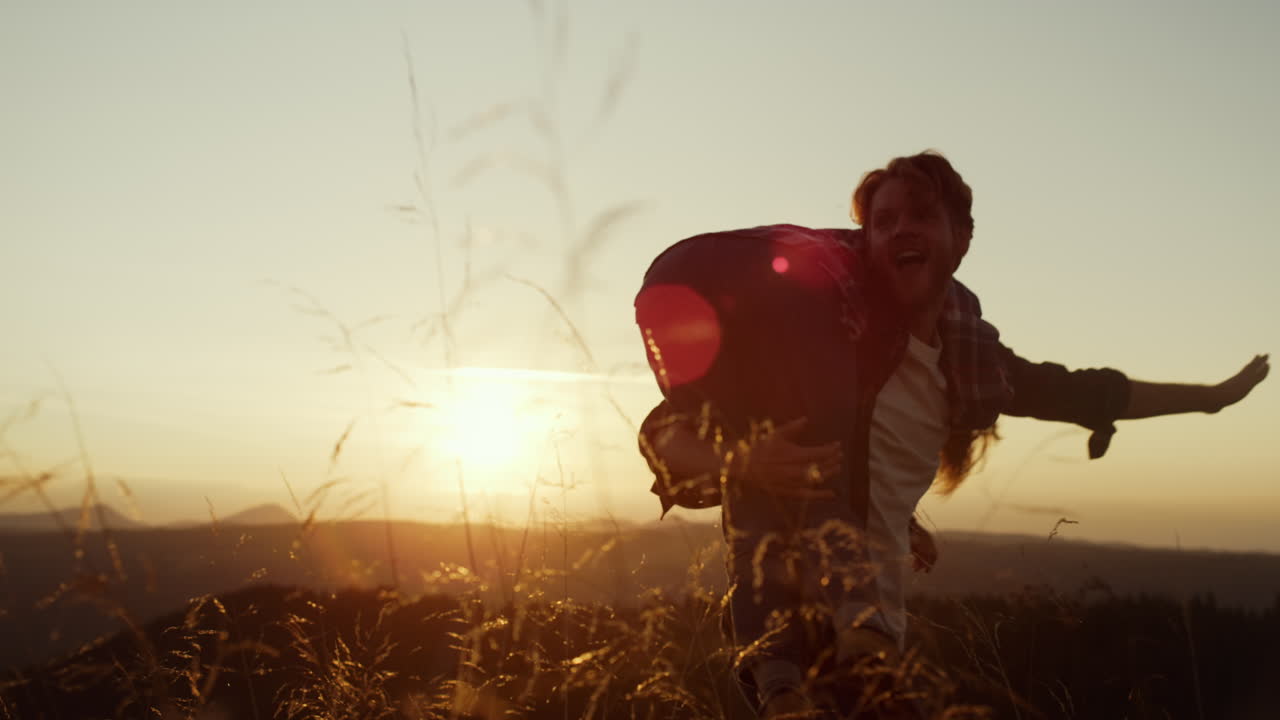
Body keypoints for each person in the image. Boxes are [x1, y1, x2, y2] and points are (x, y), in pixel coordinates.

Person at [632, 151, 1269, 718]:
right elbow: (664, 433)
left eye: (921, 215)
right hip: (804, 635)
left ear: (960, 238)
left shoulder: (972, 366)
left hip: (876, 632)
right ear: (867, 246)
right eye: (883, 222)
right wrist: (743, 462)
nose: (901, 230)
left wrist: (1210, 399)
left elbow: (1090, 392)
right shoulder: (822, 350)